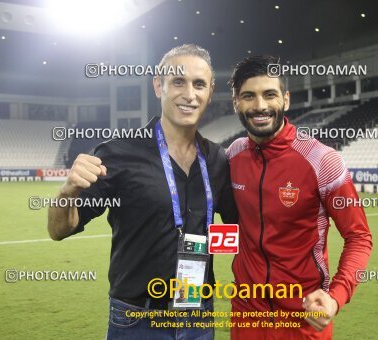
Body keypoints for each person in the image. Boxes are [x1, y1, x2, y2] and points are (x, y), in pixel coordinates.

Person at [47, 44, 237, 339]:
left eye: (199, 84)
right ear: (158, 86)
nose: (189, 94)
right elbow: (59, 229)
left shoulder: (218, 160)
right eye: (178, 82)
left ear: (210, 92)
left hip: (198, 317)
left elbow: (248, 223)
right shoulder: (118, 154)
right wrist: (67, 191)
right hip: (138, 321)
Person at [226, 55, 372, 339]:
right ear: (236, 103)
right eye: (248, 96)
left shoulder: (322, 160)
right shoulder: (232, 155)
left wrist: (335, 296)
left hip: (304, 319)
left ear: (286, 100)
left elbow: (359, 237)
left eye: (270, 94)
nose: (260, 106)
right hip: (246, 318)